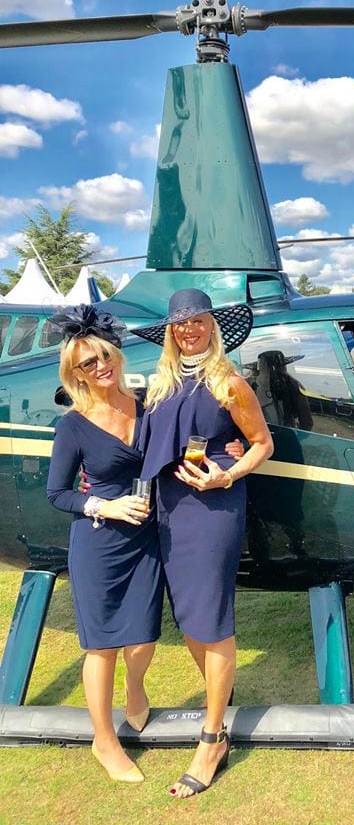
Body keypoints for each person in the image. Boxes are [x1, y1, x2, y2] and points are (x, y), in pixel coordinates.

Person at [135, 289, 273, 799]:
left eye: (196, 321)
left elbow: (262, 443)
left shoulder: (229, 382)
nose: (187, 329)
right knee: (189, 615)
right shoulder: (161, 384)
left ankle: (212, 739)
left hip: (213, 508)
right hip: (170, 507)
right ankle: (221, 695)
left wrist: (227, 474)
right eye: (179, 324)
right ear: (170, 332)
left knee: (209, 617)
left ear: (212, 325)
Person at [46, 305, 163, 784]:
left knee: (145, 636)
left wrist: (231, 452)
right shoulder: (73, 425)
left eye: (103, 356)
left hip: (146, 537)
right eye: (87, 364)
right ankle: (104, 740)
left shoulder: (146, 403)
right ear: (75, 374)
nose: (100, 367)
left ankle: (136, 691)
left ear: (114, 352)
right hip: (99, 543)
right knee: (103, 649)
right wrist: (105, 506)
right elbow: (57, 493)